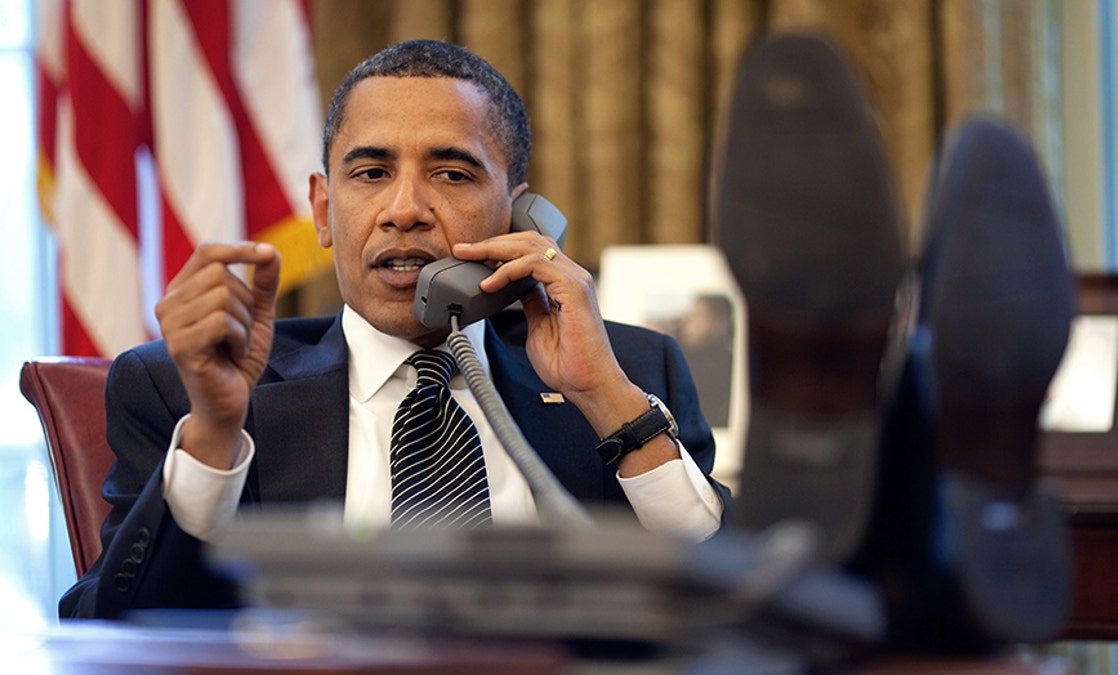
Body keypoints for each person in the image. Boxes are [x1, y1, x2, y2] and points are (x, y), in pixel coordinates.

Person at [61, 39, 729, 619]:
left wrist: (607, 398)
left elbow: (741, 605)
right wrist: (212, 433)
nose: (404, 210)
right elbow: (113, 628)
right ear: (324, 211)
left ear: (521, 216)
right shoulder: (189, 390)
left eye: (452, 173)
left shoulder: (631, 372)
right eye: (372, 173)